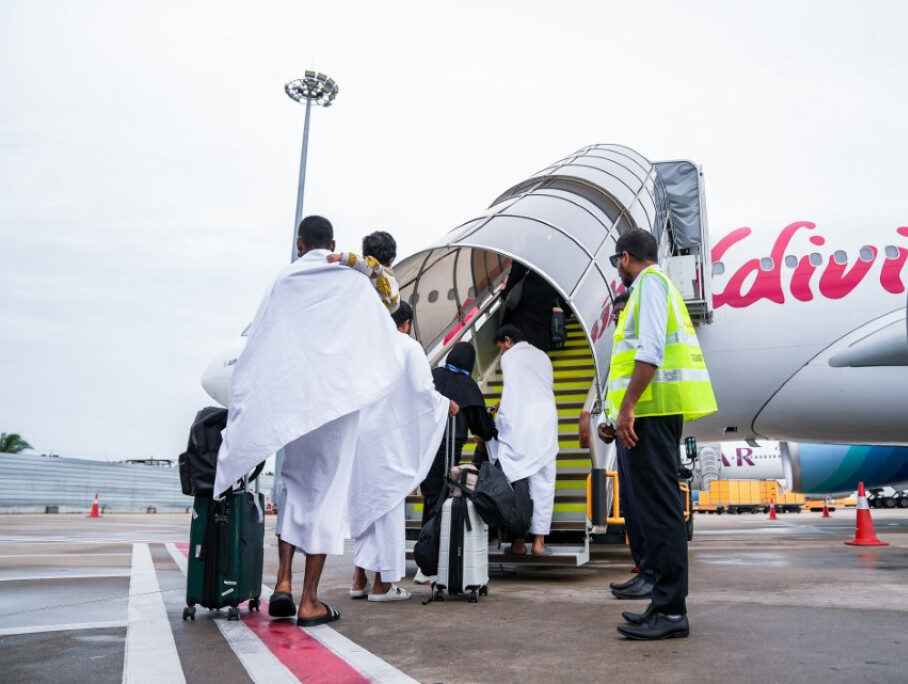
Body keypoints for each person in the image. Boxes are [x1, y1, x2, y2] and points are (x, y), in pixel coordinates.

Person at [214, 215, 410, 627]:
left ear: (300, 244)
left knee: (296, 490)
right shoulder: (353, 279)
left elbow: (262, 338)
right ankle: (309, 601)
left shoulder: (284, 280)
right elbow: (392, 300)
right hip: (338, 403)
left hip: (295, 404)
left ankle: (283, 584)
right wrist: (359, 262)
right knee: (328, 496)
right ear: (332, 242)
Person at [598, 228, 717, 640]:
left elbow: (649, 352)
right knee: (652, 510)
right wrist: (616, 414)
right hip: (646, 414)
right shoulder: (656, 286)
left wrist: (627, 408)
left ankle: (669, 612)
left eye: (617, 262)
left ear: (626, 257)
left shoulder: (648, 284)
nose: (618, 269)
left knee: (661, 512)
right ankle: (662, 604)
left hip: (649, 414)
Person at [348, 301, 457, 601]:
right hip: (387, 438)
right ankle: (382, 586)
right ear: (406, 323)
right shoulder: (408, 347)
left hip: (362, 434)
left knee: (368, 503)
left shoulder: (368, 346)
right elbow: (423, 390)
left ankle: (359, 580)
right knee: (387, 503)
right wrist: (445, 404)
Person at [414, 341, 498, 584]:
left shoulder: (434, 376)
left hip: (424, 450)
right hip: (448, 454)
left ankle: (425, 561)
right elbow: (482, 427)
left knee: (431, 501)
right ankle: (428, 565)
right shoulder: (469, 387)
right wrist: (489, 419)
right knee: (439, 503)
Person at [486, 324, 559, 556]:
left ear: (508, 341)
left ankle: (518, 543)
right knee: (544, 483)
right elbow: (533, 389)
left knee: (517, 481)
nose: (501, 353)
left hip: (520, 425)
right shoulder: (543, 356)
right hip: (546, 423)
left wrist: (499, 415)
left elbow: (514, 391)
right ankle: (539, 543)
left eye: (501, 348)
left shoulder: (510, 357)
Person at [601, 292, 656, 599]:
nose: (615, 321)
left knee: (646, 505)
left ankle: (653, 574)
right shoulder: (623, 344)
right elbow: (619, 387)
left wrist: (626, 412)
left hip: (641, 425)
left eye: (619, 314)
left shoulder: (642, 337)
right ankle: (644, 569)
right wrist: (608, 420)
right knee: (633, 507)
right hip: (624, 427)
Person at [327, 230, 400, 312]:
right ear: (391, 260)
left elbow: (363, 263)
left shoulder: (376, 268)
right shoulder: (392, 278)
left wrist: (341, 257)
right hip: (389, 308)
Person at [500, 261, 565, 352]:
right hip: (548, 291)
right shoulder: (557, 252)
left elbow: (516, 271)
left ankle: (525, 349)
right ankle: (541, 350)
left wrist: (506, 293)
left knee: (524, 321)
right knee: (542, 322)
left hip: (528, 292)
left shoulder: (525, 250)